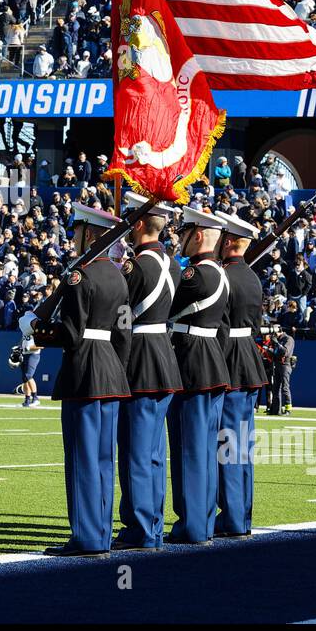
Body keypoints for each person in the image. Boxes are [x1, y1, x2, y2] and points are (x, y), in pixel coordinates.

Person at [35, 203, 132, 557]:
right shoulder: (119, 276)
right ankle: (101, 532)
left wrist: (38, 331)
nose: (72, 238)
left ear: (89, 234)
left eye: (77, 232)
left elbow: (73, 333)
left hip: (85, 372)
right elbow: (124, 333)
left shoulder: (81, 276)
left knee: (83, 458)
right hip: (111, 371)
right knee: (104, 459)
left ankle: (87, 537)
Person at [112, 197, 181, 551]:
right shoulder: (174, 263)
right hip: (165, 359)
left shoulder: (136, 267)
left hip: (139, 360)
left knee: (136, 452)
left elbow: (122, 318)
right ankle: (152, 522)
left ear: (138, 224)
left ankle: (140, 528)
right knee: (153, 452)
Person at [165, 206, 230, 547]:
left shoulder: (196, 275)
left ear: (199, 235)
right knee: (203, 449)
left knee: (188, 448)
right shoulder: (218, 272)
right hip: (210, 363)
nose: (180, 239)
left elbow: (164, 305)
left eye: (185, 233)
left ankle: (191, 525)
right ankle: (201, 520)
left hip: (191, 363)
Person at [215, 211, 267, 539]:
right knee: (242, 446)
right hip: (249, 358)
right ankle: (242, 514)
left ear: (230, 241)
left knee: (228, 446)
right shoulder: (252, 277)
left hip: (231, 360)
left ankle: (233, 518)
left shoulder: (224, 277)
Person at [266, 326, 296, 416]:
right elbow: (275, 353)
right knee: (276, 387)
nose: (274, 336)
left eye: (275, 333)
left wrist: (277, 344)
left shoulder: (288, 339)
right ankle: (276, 409)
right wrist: (270, 351)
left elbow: (285, 352)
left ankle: (288, 409)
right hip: (277, 364)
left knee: (285, 387)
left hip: (285, 365)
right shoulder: (277, 339)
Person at [16, 309, 41, 408]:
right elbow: (22, 341)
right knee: (24, 378)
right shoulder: (25, 329)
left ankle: (35, 398)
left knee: (28, 375)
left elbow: (41, 345)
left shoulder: (37, 329)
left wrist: (28, 348)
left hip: (33, 354)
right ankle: (27, 399)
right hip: (25, 353)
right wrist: (18, 348)